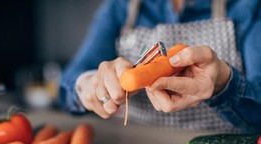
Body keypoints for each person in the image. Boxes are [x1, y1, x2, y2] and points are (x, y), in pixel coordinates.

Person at [59, 0, 261, 133]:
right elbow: (69, 83)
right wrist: (87, 85)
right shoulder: (121, 5)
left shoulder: (248, 5)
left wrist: (224, 83)